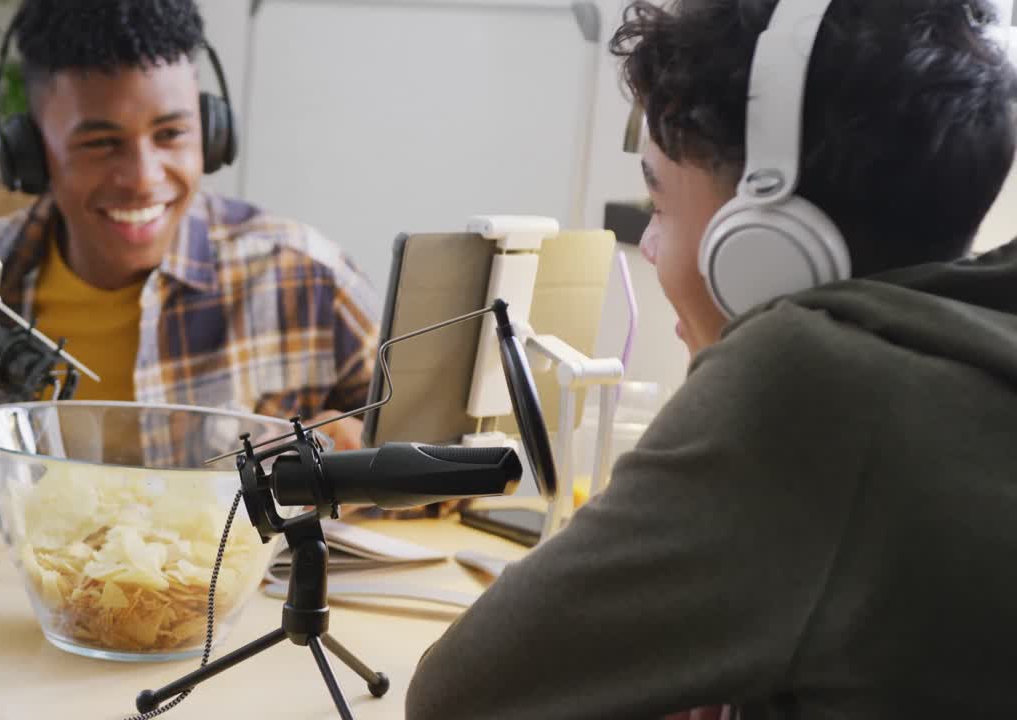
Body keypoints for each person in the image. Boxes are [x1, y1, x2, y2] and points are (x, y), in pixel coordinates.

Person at [406, 0, 1017, 717]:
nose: (653, 246)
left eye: (659, 207)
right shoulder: (970, 350)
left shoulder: (816, 380)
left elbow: (457, 698)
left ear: (770, 248)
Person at [0, 0, 378, 516]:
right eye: (100, 143)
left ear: (211, 133)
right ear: (30, 154)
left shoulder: (305, 276)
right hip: (7, 596)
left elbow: (454, 467)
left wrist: (362, 460)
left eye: (171, 134)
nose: (143, 177)